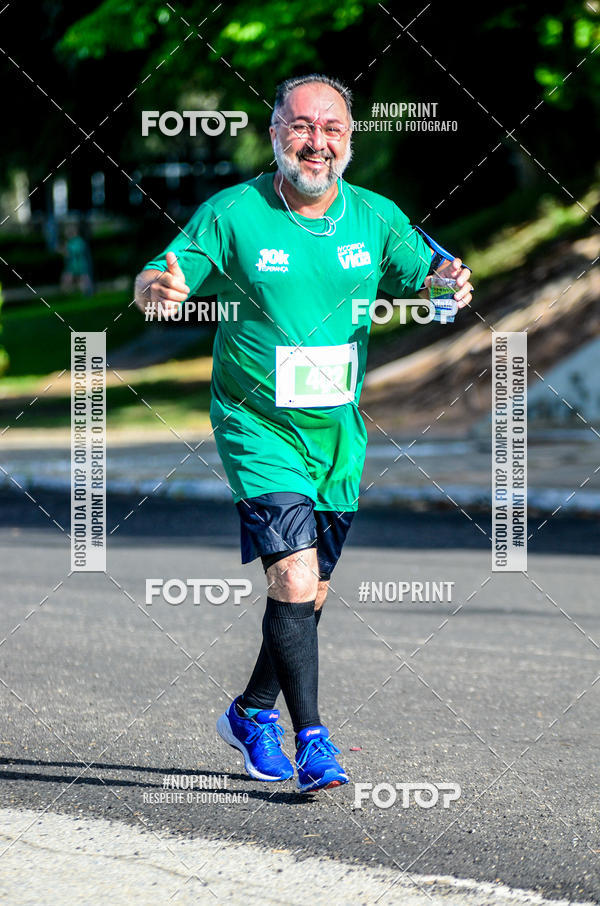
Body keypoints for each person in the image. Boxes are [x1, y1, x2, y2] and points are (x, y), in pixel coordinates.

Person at [134, 73, 473, 793]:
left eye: (332, 129)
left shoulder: (376, 216)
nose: (316, 141)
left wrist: (449, 286)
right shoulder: (233, 214)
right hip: (256, 426)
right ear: (274, 132)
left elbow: (432, 280)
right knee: (293, 574)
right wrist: (152, 290)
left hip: (338, 436)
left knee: (308, 594)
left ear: (348, 140)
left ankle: (252, 710)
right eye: (302, 126)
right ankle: (312, 740)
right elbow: (165, 276)